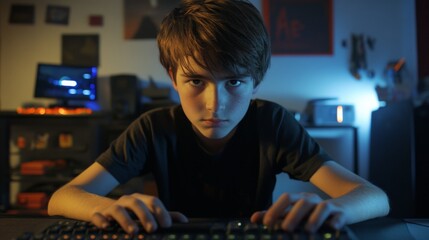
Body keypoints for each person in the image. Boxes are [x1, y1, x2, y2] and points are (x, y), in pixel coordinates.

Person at [48, 0, 390, 235]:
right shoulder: (153, 128)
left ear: (255, 81)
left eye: (235, 81)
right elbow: (62, 197)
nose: (215, 104)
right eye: (196, 81)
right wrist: (107, 206)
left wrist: (335, 210)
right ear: (172, 77)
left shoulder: (272, 123)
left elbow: (374, 196)